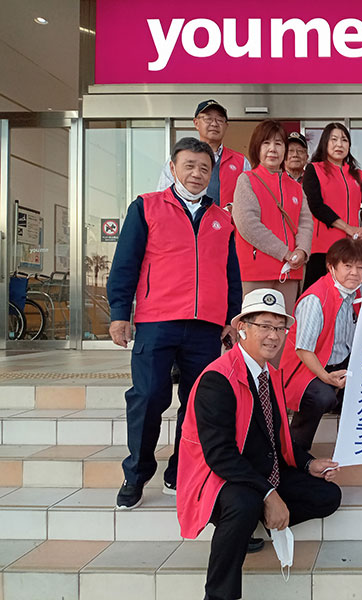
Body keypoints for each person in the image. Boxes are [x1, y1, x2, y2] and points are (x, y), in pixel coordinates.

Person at [177, 288, 341, 600]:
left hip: (261, 469)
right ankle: (218, 594)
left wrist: (308, 463)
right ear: (242, 328)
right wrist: (268, 494)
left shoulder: (269, 374)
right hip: (222, 476)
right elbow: (219, 454)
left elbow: (274, 438)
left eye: (280, 328)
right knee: (244, 504)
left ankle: (258, 517)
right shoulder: (218, 378)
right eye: (264, 326)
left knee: (327, 496)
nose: (274, 336)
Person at [107, 137, 242, 509]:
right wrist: (119, 314)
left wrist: (230, 317)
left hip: (205, 326)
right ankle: (136, 473)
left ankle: (179, 470)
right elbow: (125, 263)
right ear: (173, 167)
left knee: (197, 402)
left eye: (204, 168)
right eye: (189, 166)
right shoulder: (146, 207)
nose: (197, 174)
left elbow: (231, 274)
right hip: (157, 320)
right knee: (149, 397)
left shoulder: (222, 219)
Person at [280, 238, 362, 450]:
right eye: (347, 266)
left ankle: (354, 448)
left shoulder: (355, 294)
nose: (354, 273)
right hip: (306, 367)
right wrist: (326, 377)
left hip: (339, 362)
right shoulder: (316, 298)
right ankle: (295, 451)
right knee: (321, 397)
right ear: (331, 267)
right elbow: (303, 350)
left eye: (360, 268)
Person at [232, 120, 312, 311]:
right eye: (266, 143)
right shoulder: (247, 180)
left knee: (284, 324)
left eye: (278, 143)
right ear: (257, 147)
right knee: (254, 323)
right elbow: (248, 224)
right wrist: (285, 253)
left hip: (290, 272)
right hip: (256, 271)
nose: (272, 149)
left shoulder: (295, 187)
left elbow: (306, 223)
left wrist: (302, 251)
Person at [302, 122, 362, 290]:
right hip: (322, 249)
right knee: (318, 295)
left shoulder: (358, 175)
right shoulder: (314, 169)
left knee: (349, 297)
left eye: (344, 140)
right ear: (325, 143)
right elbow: (316, 206)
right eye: (333, 139)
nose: (339, 144)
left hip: (351, 250)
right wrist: (347, 228)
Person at [157, 99, 250, 208]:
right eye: (208, 119)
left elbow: (250, 199)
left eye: (219, 120)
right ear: (196, 123)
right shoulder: (178, 158)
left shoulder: (241, 162)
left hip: (226, 219)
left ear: (226, 126)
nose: (214, 124)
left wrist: (232, 208)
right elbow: (163, 197)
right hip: (185, 218)